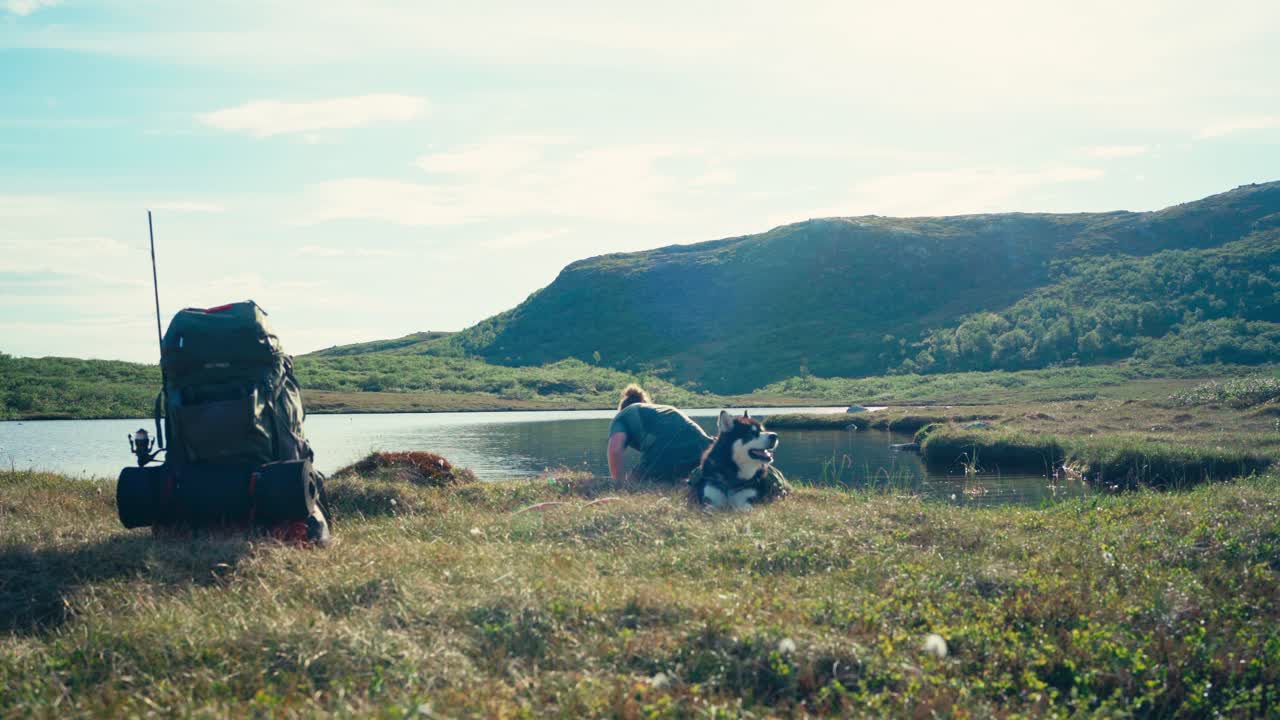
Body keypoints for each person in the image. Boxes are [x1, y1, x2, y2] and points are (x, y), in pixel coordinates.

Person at [607, 384, 712, 483]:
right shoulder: (659, 410)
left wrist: (618, 483)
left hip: (664, 445)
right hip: (702, 446)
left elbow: (615, 449)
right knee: (682, 481)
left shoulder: (622, 416)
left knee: (633, 484)